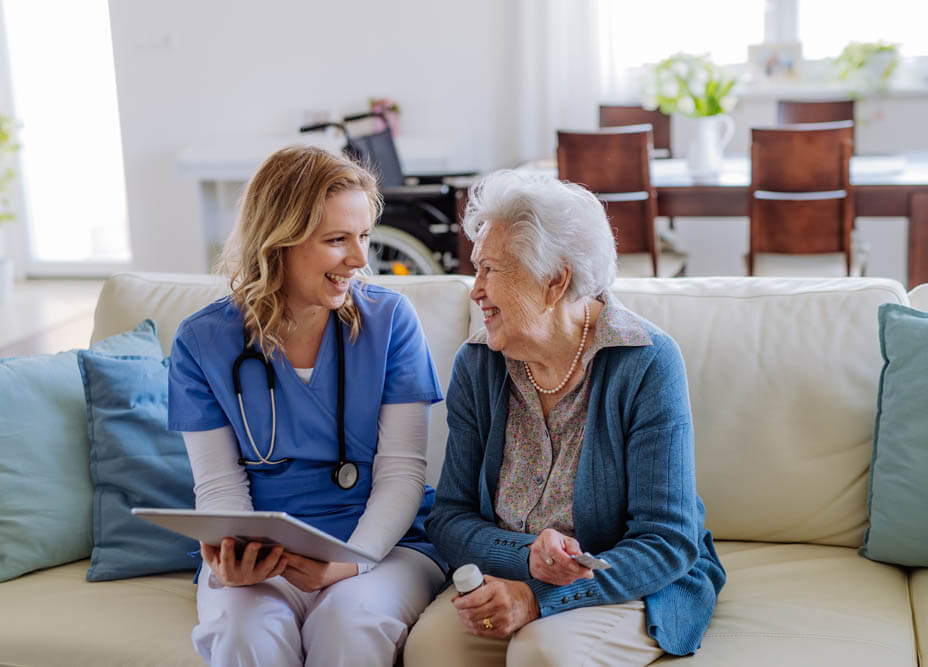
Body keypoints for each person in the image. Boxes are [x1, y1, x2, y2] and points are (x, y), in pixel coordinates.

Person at [403, 170, 726, 666]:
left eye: (490, 270)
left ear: (555, 282)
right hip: (508, 575)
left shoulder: (646, 362)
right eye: (476, 269)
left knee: (542, 652)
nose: (476, 290)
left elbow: (667, 539)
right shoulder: (479, 364)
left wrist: (539, 598)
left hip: (627, 578)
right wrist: (525, 558)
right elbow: (449, 518)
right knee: (431, 650)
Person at [167, 145, 446, 666]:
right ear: (279, 241)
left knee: (351, 622)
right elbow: (220, 484)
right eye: (338, 240)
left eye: (363, 236)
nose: (361, 260)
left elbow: (403, 473)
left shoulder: (391, 323)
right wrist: (237, 561)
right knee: (244, 629)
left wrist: (349, 563)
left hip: (382, 548)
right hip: (263, 558)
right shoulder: (203, 341)